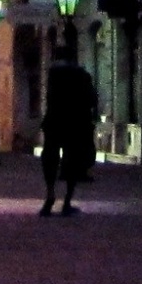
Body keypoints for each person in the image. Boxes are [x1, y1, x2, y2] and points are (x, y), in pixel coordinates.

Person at [40, 43, 98, 215]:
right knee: (72, 160)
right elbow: (92, 99)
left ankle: (50, 194)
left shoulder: (52, 74)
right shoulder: (81, 74)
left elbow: (49, 97)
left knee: (50, 157)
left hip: (53, 121)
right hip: (74, 123)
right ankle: (67, 201)